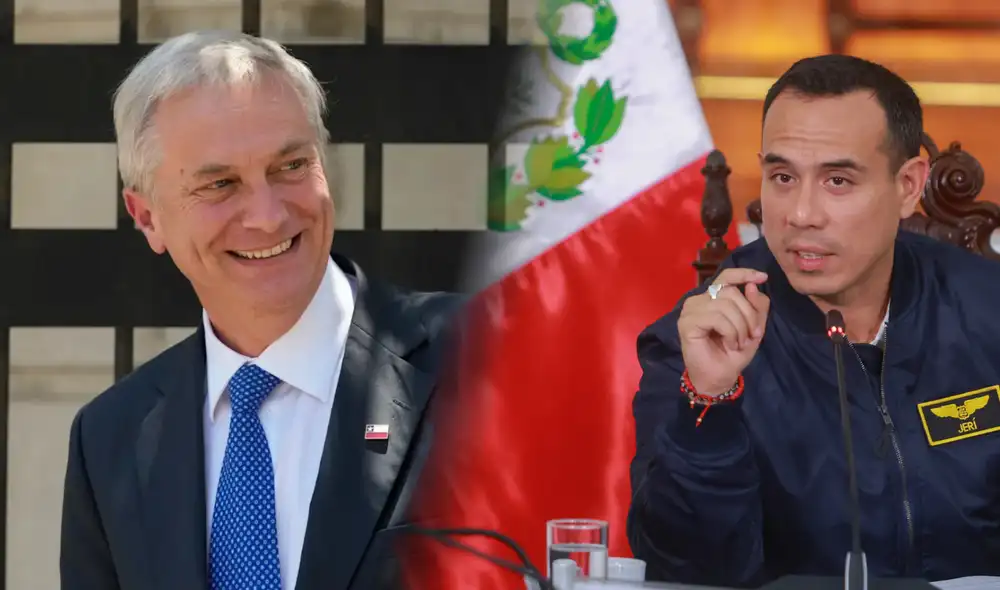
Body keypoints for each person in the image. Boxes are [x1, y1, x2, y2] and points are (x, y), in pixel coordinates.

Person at [59, 31, 462, 590]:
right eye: (220, 184)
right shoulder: (110, 441)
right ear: (147, 217)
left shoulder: (488, 358)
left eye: (291, 165)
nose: (268, 216)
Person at [628, 54, 1000, 587]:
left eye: (838, 181)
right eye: (782, 177)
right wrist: (709, 400)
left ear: (908, 186)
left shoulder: (988, 310)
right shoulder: (699, 343)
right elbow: (687, 571)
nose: (801, 214)